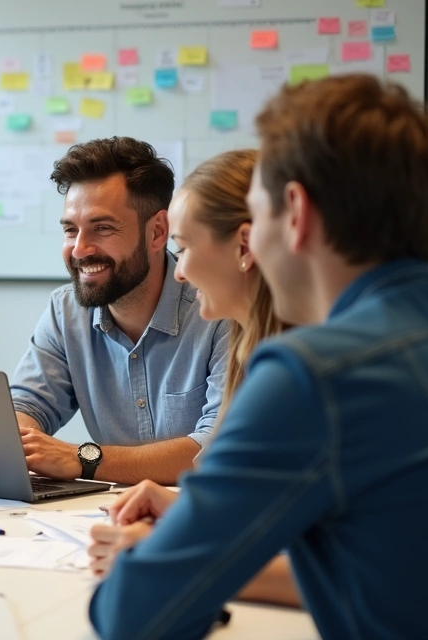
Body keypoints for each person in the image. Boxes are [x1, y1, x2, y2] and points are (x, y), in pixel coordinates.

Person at [87, 75, 428, 640]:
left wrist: (159, 556)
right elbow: (413, 566)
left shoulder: (310, 374)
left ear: (294, 212)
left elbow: (133, 616)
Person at [88, 148, 300, 608]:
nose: (179, 272)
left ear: (244, 248)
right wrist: (187, 508)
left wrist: (169, 559)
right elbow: (272, 506)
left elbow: (346, 563)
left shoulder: (300, 371)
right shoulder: (255, 350)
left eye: (183, 249)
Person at [11, 137, 229, 485]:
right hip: (106, 512)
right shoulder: (65, 312)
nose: (79, 249)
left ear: (157, 232)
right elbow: (27, 404)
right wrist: (19, 442)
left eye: (102, 228)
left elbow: (216, 448)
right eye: (70, 230)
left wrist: (82, 458)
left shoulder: (220, 309)